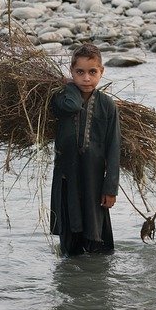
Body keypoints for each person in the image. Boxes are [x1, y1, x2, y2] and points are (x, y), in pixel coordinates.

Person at [49, 43, 121, 257]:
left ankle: (96, 282)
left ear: (102, 72)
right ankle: (71, 281)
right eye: (80, 72)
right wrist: (69, 86)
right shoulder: (61, 98)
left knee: (98, 241)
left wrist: (111, 188)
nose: (87, 78)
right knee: (70, 246)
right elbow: (72, 106)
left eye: (93, 72)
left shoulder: (108, 105)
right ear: (71, 72)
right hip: (66, 178)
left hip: (95, 180)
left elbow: (114, 147)